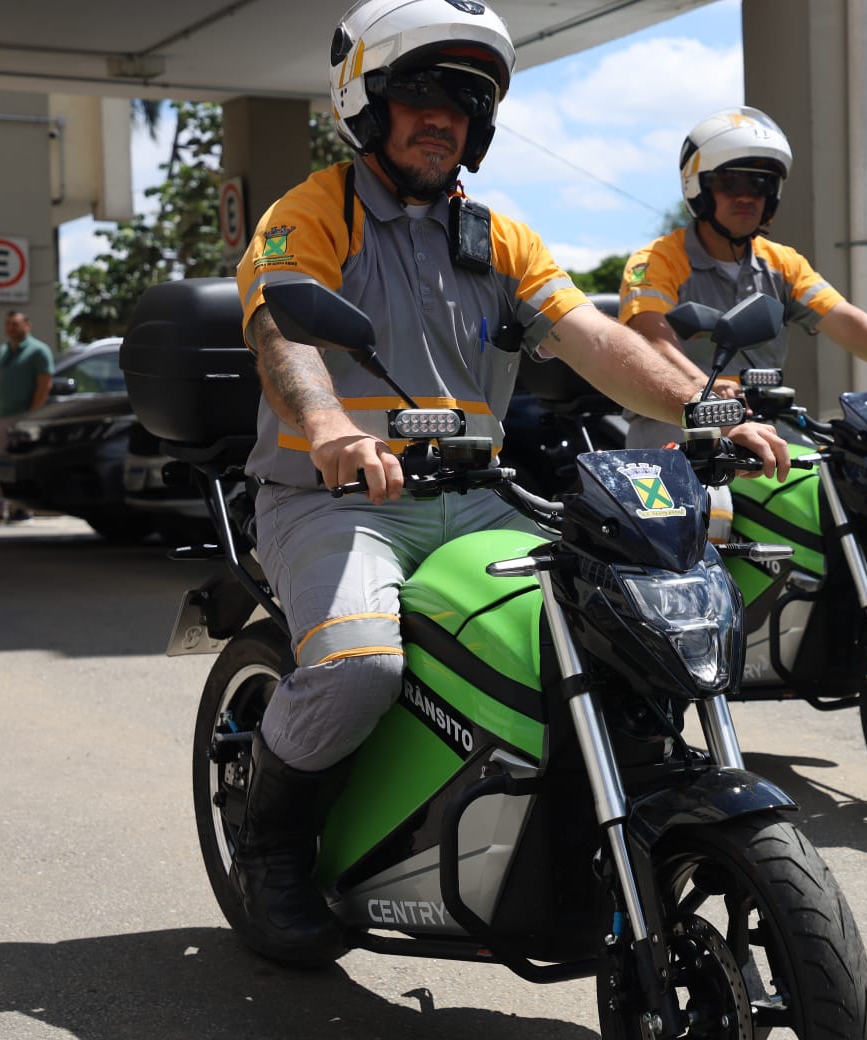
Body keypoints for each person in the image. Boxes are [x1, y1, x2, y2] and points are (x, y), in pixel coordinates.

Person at [232, 0, 789, 963]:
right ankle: (271, 839)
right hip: (331, 500)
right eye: (420, 92)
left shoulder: (501, 238)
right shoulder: (309, 212)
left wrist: (708, 406)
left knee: (617, 621)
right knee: (361, 666)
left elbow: (600, 342)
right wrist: (325, 426)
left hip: (475, 496)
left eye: (466, 100)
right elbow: (283, 329)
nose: (442, 116)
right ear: (367, 99)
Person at [617, 105, 867, 459]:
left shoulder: (782, 263)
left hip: (762, 421)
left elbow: (843, 319)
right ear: (699, 186)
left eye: (760, 183)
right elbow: (652, 339)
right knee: (713, 511)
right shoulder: (657, 260)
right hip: (677, 419)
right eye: (730, 182)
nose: (747, 195)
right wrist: (702, 389)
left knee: (828, 487)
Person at [0, 310, 53, 524]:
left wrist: (31, 416)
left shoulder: (39, 351)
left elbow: (44, 384)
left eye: (15, 324)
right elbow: (0, 383)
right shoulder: (4, 350)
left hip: (22, 417)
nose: (10, 328)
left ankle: (20, 508)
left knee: (19, 464)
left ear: (27, 326)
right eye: (8, 324)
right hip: (0, 416)